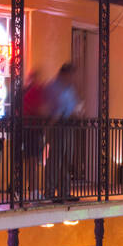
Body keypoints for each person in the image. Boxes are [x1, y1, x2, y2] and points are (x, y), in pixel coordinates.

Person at [42, 63, 80, 202]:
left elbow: (73, 105)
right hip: (57, 124)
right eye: (71, 75)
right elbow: (52, 106)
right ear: (65, 73)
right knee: (55, 159)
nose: (73, 78)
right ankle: (50, 191)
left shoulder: (70, 89)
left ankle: (65, 191)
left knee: (66, 159)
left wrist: (76, 113)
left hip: (68, 125)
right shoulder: (53, 86)